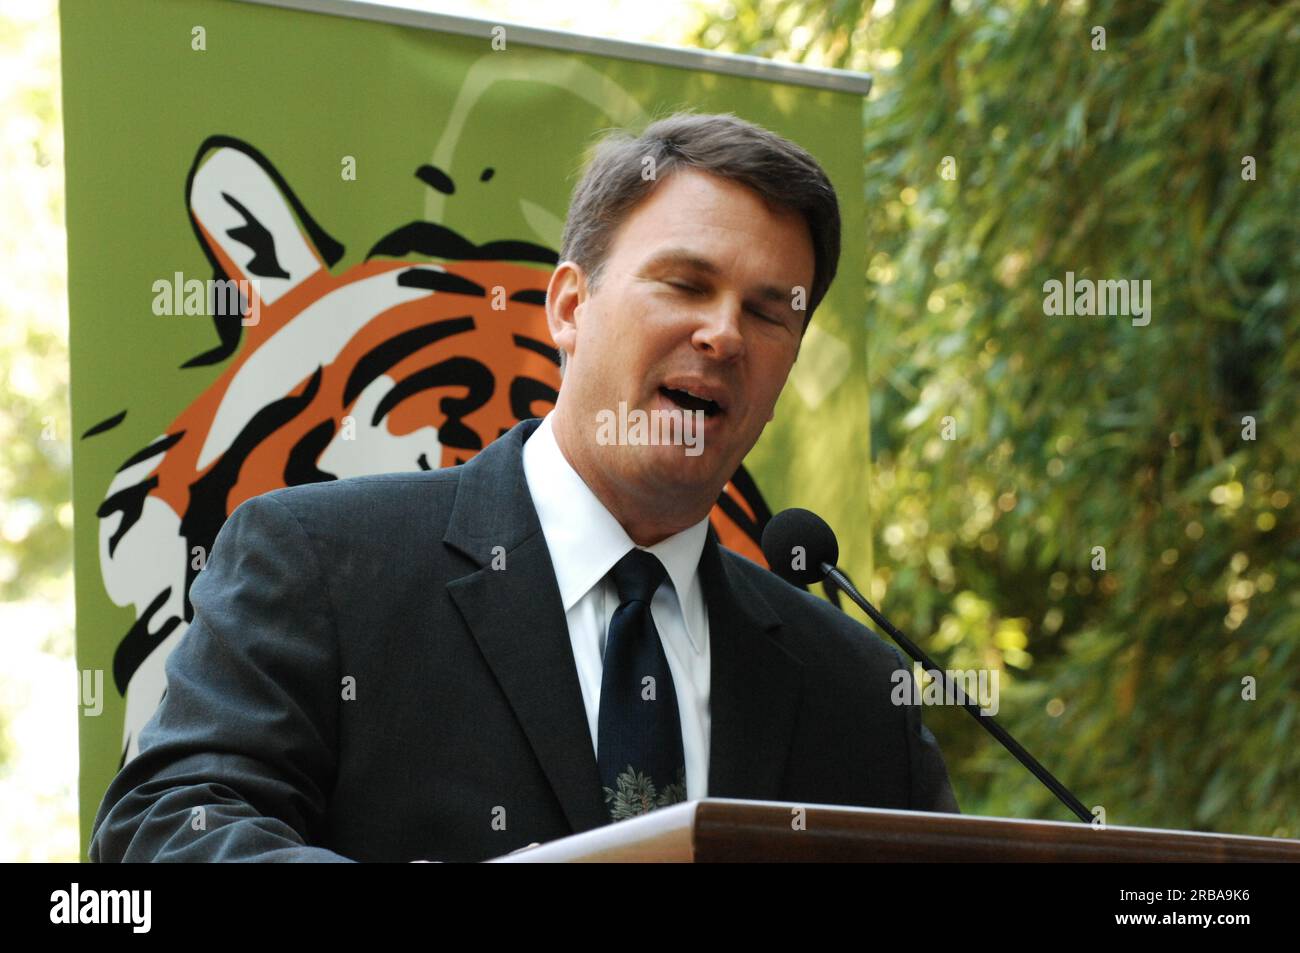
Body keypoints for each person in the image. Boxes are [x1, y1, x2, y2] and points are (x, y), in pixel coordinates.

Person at [89, 111, 959, 863]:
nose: (723, 334)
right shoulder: (320, 564)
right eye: (686, 283)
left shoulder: (858, 688)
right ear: (570, 307)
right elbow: (162, 830)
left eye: (769, 312)